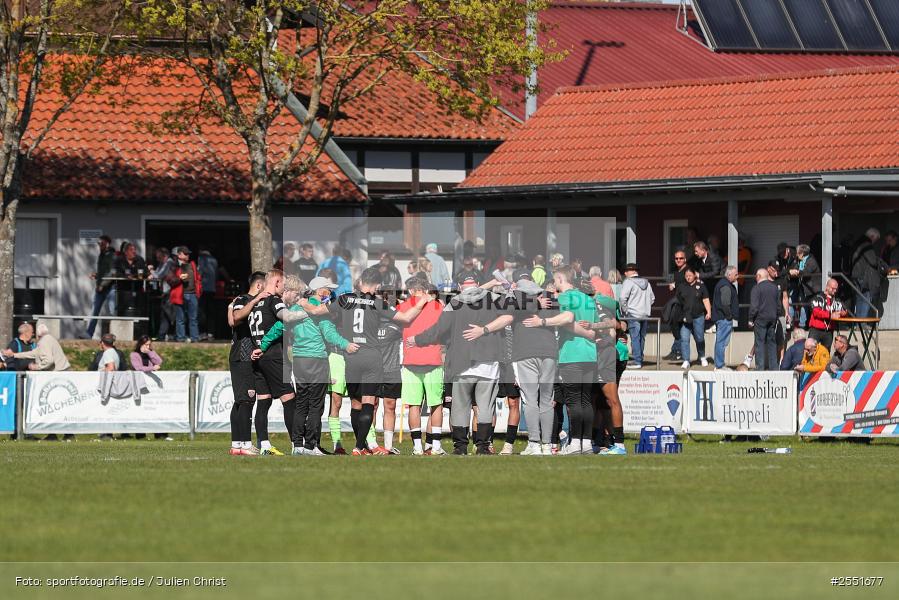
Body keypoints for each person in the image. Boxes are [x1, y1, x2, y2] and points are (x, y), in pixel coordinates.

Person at [410, 273, 513, 455]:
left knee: (460, 407)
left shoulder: (455, 303)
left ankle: (460, 447)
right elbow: (509, 317)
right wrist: (485, 330)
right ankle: (482, 446)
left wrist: (417, 339)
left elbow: (439, 330)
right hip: (488, 361)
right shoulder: (494, 299)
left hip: (460, 362)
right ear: (478, 283)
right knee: (485, 407)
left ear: (459, 285)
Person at [257, 275, 358, 456]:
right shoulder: (318, 311)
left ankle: (297, 445)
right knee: (315, 405)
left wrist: (262, 346)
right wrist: (347, 345)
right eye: (329, 289)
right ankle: (311, 446)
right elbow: (330, 335)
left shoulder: (295, 308)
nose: (331, 292)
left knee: (302, 403)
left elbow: (277, 329)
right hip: (317, 360)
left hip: (299, 361)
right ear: (320, 291)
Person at [334, 267, 426, 455]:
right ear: (376, 286)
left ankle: (363, 445)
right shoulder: (377, 303)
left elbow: (322, 314)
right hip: (371, 357)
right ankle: (359, 446)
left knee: (356, 403)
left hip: (351, 356)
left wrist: (305, 305)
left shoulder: (345, 299)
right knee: (369, 402)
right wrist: (422, 301)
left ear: (360, 282)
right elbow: (406, 317)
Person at [523, 265, 597, 455]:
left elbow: (566, 319)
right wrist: (590, 334)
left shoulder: (564, 298)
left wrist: (542, 322)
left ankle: (574, 444)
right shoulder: (587, 299)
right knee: (586, 400)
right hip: (590, 354)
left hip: (571, 353)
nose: (554, 284)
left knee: (573, 401)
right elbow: (596, 328)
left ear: (561, 279)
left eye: (555, 280)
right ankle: (587, 442)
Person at [249, 270, 324, 455]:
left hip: (259, 354)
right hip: (274, 356)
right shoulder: (275, 301)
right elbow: (284, 320)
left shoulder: (256, 303)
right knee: (290, 399)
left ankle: (264, 444)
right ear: (276, 282)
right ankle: (297, 444)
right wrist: (312, 312)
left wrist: (261, 345)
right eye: (284, 287)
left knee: (264, 401)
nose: (284, 292)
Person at [505, 272, 558, 455]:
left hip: (526, 353)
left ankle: (535, 443)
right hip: (549, 352)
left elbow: (508, 310)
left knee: (530, 400)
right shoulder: (549, 297)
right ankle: (546, 444)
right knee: (545, 400)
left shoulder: (517, 298)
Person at [397, 275, 447, 455]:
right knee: (435, 405)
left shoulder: (403, 306)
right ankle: (436, 446)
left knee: (414, 405)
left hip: (411, 361)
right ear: (425, 289)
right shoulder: (438, 306)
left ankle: (417, 446)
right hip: (433, 359)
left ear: (410, 290)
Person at [226, 271, 268, 456]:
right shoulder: (244, 299)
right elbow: (235, 318)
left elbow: (230, 320)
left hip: (242, 354)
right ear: (259, 286)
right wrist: (255, 300)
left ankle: (236, 444)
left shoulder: (246, 299)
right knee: (246, 400)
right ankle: (245, 444)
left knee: (240, 401)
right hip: (243, 354)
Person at [618, 263, 654, 369]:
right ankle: (639, 359)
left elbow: (622, 298)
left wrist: (626, 311)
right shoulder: (647, 283)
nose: (624, 273)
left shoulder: (628, 282)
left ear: (631, 271)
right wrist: (645, 307)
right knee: (641, 338)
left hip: (633, 314)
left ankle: (637, 361)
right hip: (645, 314)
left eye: (626, 271)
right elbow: (652, 299)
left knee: (635, 337)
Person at [675, 268, 711, 369]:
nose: (688, 277)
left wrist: (708, 312)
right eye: (686, 275)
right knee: (684, 339)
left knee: (699, 338)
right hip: (685, 317)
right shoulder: (682, 286)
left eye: (690, 275)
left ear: (695, 275)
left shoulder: (701, 286)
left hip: (698, 316)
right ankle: (686, 360)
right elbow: (677, 301)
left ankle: (702, 356)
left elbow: (706, 299)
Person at [83, 235, 117, 339]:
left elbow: (112, 273)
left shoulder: (112, 255)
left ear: (107, 244)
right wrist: (97, 275)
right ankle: (89, 334)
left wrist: (102, 284)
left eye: (101, 243)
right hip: (100, 288)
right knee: (94, 311)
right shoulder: (101, 255)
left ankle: (114, 336)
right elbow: (104, 272)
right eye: (99, 244)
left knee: (112, 312)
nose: (99, 245)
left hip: (109, 288)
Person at [850, 227, 888, 318]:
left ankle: (859, 323)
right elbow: (873, 261)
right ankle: (862, 323)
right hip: (863, 276)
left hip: (856, 274)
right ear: (872, 236)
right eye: (876, 239)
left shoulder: (857, 242)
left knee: (859, 299)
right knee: (865, 299)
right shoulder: (866, 244)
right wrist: (880, 262)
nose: (875, 242)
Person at [4, 323, 70, 372]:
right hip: (18, 375)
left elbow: (48, 360)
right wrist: (14, 355)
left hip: (58, 373)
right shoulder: (15, 343)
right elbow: (33, 353)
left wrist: (36, 367)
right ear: (25, 333)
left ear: (38, 335)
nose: (33, 335)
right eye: (32, 332)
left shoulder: (43, 341)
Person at [749, 268, 780, 371]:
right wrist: (777, 316)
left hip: (760, 318)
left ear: (758, 276)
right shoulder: (775, 287)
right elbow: (778, 305)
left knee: (759, 343)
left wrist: (750, 319)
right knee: (772, 343)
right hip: (772, 318)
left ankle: (760, 368)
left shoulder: (756, 288)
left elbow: (754, 306)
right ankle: (774, 367)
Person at [170, 247, 202, 343]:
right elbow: (170, 281)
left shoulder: (192, 264)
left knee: (193, 318)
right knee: (180, 318)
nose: (188, 255)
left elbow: (198, 278)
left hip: (192, 294)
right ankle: (181, 338)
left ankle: (194, 338)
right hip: (181, 295)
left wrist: (199, 291)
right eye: (185, 254)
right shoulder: (174, 266)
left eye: (188, 254)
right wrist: (179, 278)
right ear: (179, 255)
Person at [663, 248, 689, 361]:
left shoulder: (688, 270)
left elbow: (691, 283)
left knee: (677, 326)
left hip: (685, 303)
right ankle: (676, 350)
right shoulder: (675, 271)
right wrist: (672, 283)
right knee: (674, 325)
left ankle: (678, 351)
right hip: (677, 302)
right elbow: (673, 285)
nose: (678, 260)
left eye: (681, 258)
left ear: (685, 259)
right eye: (676, 258)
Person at [712, 266, 739, 371]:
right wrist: (729, 317)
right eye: (735, 274)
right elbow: (725, 303)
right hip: (723, 318)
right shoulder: (725, 286)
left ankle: (719, 364)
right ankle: (719, 366)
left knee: (722, 342)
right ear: (729, 275)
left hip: (722, 318)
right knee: (721, 342)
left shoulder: (725, 284)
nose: (737, 276)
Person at [808, 278, 847, 351]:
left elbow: (844, 310)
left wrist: (841, 313)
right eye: (833, 289)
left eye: (836, 289)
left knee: (825, 354)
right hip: (816, 329)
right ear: (827, 287)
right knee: (811, 351)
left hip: (828, 331)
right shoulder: (818, 297)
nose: (835, 291)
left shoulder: (836, 300)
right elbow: (816, 312)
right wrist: (830, 315)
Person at [788, 244, 821, 329]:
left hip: (812, 289)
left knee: (808, 306)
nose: (796, 255)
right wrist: (792, 271)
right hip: (803, 287)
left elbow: (806, 272)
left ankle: (804, 325)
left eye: (798, 253)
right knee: (799, 303)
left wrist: (796, 272)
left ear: (802, 253)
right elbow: (794, 269)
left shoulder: (811, 261)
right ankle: (794, 324)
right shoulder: (800, 260)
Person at [197, 248, 219, 340]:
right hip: (212, 289)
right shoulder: (214, 260)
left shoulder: (201, 259)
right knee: (211, 312)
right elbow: (216, 274)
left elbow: (200, 273)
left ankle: (203, 332)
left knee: (202, 312)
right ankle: (211, 333)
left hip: (204, 288)